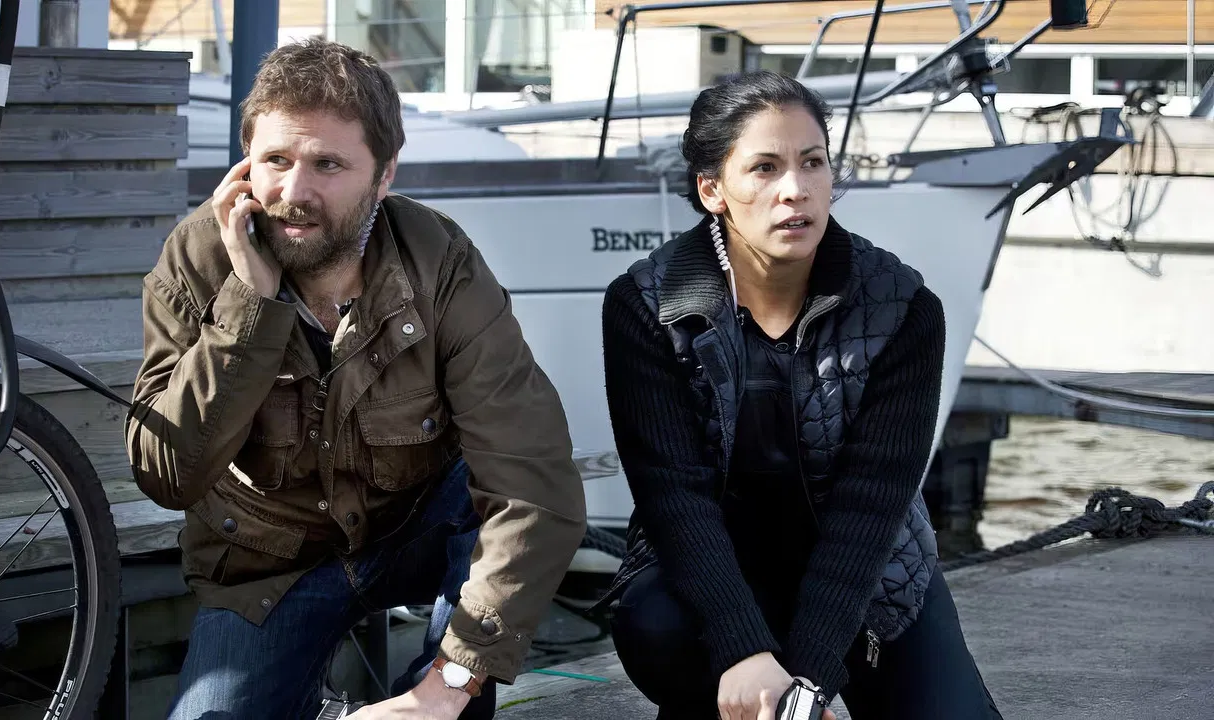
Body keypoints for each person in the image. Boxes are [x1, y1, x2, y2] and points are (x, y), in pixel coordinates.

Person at [125, 38, 586, 720]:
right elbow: (168, 475)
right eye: (275, 161)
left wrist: (446, 688)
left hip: (416, 530)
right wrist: (247, 305)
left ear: (384, 173)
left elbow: (534, 481)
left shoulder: (439, 262)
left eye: (328, 164)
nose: (293, 193)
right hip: (270, 569)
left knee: (486, 496)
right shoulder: (197, 259)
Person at [597, 70, 1004, 720]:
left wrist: (804, 687)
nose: (796, 189)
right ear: (712, 189)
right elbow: (673, 497)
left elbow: (871, 509)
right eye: (765, 168)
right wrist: (743, 649)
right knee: (656, 624)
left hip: (867, 571)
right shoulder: (647, 305)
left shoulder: (902, 309)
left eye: (812, 162)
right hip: (714, 577)